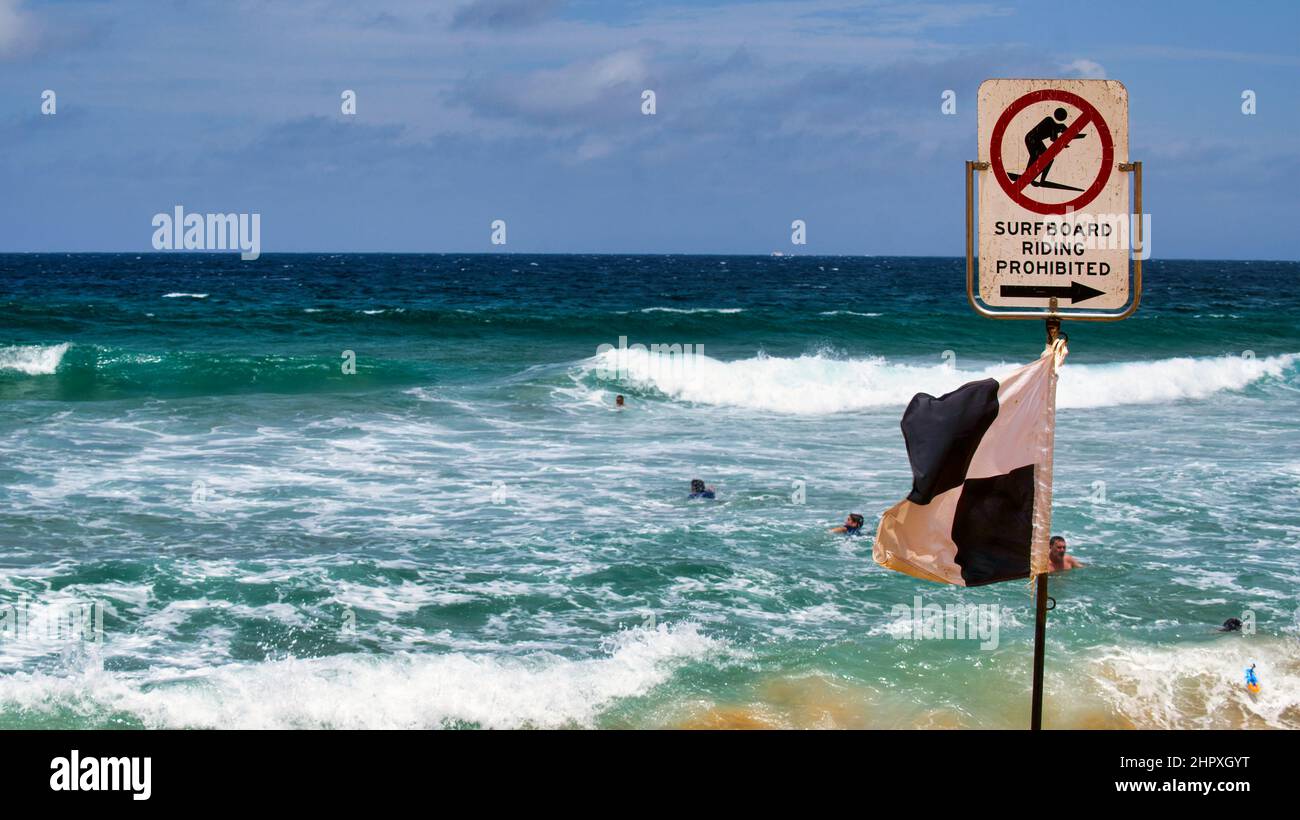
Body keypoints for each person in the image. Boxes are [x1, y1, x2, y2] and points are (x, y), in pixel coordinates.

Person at [1023, 107, 1086, 187]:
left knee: (1049, 160)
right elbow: (1054, 139)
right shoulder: (1050, 122)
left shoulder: (1058, 126)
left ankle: (1041, 180)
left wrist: (1069, 138)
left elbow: (1057, 136)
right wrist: (1063, 144)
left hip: (1037, 140)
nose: (1062, 132)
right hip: (1031, 139)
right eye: (1062, 132)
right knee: (1035, 156)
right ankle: (1027, 176)